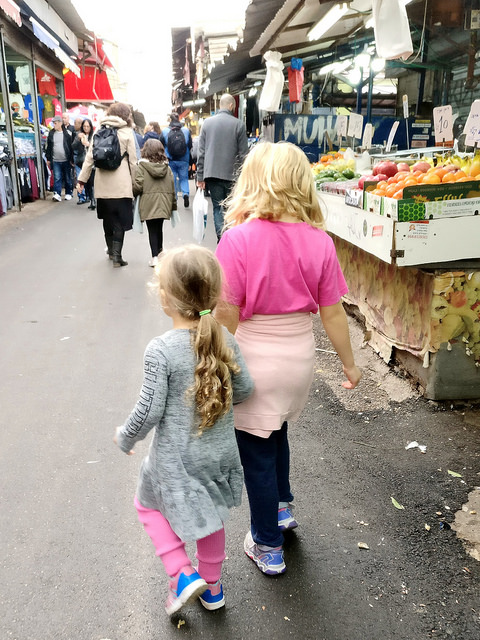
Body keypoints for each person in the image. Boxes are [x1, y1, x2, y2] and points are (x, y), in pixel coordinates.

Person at [214, 141, 361, 576]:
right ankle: (281, 508)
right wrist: (350, 364)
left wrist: (213, 364)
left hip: (254, 359)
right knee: (276, 430)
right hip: (298, 358)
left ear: (254, 182)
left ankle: (267, 544)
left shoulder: (237, 240)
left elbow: (227, 314)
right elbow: (333, 313)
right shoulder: (320, 241)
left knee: (256, 450)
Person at [114, 245, 254, 615]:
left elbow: (148, 411)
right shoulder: (225, 338)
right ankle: (212, 589)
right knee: (211, 517)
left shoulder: (161, 350)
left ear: (166, 298)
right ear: (214, 294)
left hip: (175, 461)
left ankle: (180, 572)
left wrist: (125, 436)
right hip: (219, 455)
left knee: (146, 506)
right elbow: (244, 390)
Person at [77, 102, 137, 267]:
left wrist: (81, 180)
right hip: (121, 185)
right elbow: (133, 162)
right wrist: (136, 184)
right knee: (119, 221)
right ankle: (117, 256)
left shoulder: (99, 130)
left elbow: (89, 158)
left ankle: (110, 251)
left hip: (102, 184)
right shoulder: (127, 132)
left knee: (107, 219)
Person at [196, 94, 248, 241]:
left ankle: (222, 237)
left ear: (220, 105)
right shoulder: (239, 124)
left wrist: (200, 176)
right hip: (233, 175)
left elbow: (201, 152)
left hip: (212, 174)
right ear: (231, 106)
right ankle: (230, 238)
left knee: (218, 207)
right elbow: (244, 154)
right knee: (232, 207)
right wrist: (246, 176)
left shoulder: (207, 123)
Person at [133, 139, 176, 267]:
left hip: (148, 203)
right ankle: (160, 253)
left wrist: (133, 192)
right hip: (164, 202)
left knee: (152, 230)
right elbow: (172, 187)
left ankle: (155, 257)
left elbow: (138, 186)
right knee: (159, 228)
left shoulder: (141, 166)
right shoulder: (166, 167)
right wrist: (173, 205)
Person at [161, 113, 192, 208]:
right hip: (184, 159)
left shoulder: (165, 131)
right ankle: (185, 194)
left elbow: (161, 145)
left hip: (171, 159)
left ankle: (174, 198)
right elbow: (190, 145)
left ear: (170, 120)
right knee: (184, 178)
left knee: (172, 179)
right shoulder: (186, 130)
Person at [45, 115, 74, 202]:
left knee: (67, 177)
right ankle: (57, 193)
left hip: (66, 159)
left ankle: (68, 193)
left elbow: (70, 147)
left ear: (60, 123)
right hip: (55, 160)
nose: (54, 125)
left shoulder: (67, 134)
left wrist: (71, 159)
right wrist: (48, 159)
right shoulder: (51, 133)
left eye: (55, 123)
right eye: (54, 123)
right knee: (57, 177)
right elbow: (49, 147)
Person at [73, 118, 96, 210]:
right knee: (86, 182)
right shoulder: (79, 135)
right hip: (82, 162)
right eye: (84, 126)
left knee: (92, 182)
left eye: (88, 126)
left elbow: (96, 147)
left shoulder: (94, 136)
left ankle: (93, 200)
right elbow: (73, 146)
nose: (86, 128)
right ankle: (89, 198)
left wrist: (88, 144)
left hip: (92, 162)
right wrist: (78, 139)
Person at [72, 116, 86, 204]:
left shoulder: (83, 134)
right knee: (80, 177)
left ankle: (84, 196)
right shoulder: (76, 133)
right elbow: (73, 146)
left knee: (82, 177)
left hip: (83, 158)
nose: (74, 125)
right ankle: (82, 196)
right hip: (78, 158)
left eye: (75, 123)